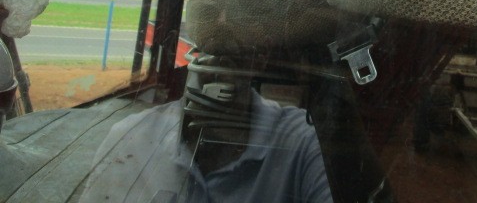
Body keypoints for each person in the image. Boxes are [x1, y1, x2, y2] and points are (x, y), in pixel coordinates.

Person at [79, 55, 333, 203]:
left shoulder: (303, 142)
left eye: (231, 54)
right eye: (211, 47)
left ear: (260, 56)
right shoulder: (131, 137)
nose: (219, 70)